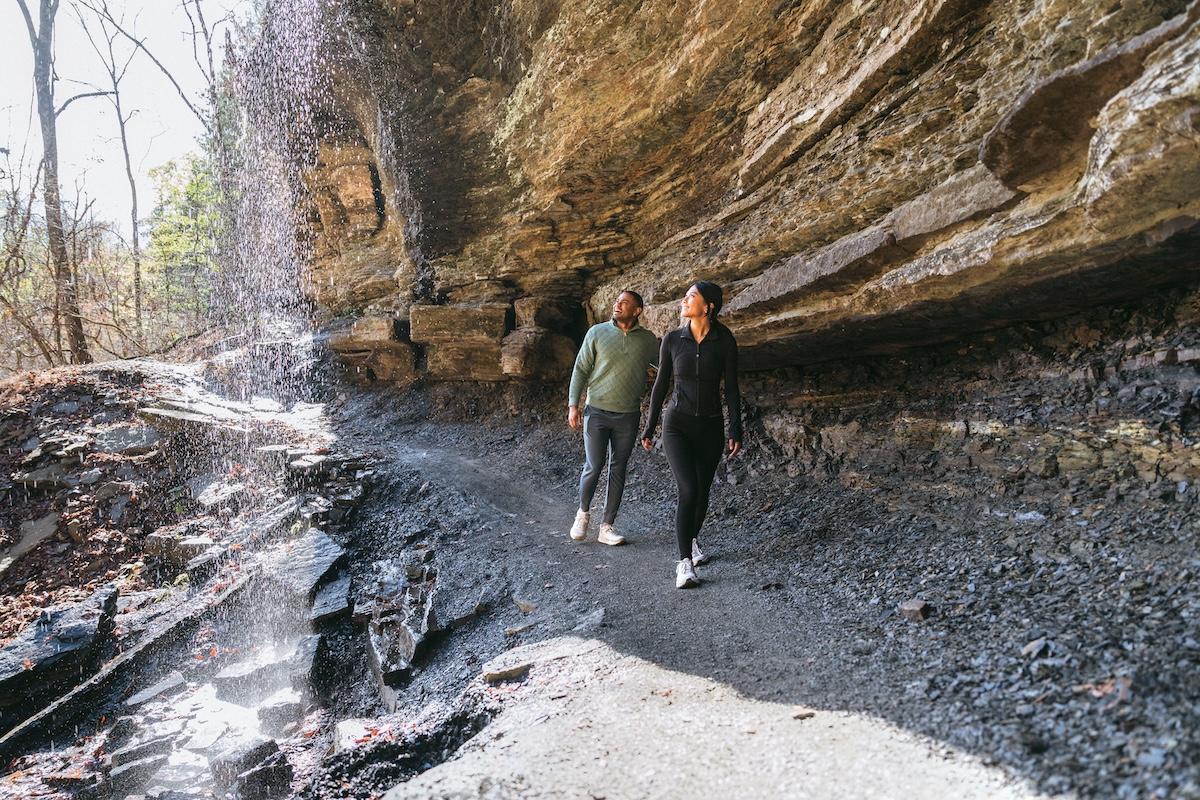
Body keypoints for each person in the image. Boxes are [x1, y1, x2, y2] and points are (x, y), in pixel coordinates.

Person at [640, 281, 741, 589]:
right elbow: (660, 387)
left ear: (708, 305)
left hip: (710, 426)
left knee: (702, 492)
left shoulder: (724, 340)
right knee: (688, 489)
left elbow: (732, 388)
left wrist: (736, 429)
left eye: (691, 296)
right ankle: (684, 564)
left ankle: (693, 539)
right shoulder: (672, 339)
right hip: (677, 426)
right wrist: (649, 426)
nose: (683, 301)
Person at [567, 290, 660, 545]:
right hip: (596, 411)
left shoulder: (648, 340)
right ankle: (583, 514)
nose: (617, 305)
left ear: (637, 311)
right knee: (594, 465)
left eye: (624, 303)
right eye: (617, 301)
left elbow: (666, 366)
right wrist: (573, 404)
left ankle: (606, 527)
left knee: (618, 469)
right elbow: (581, 368)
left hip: (628, 415)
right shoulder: (596, 332)